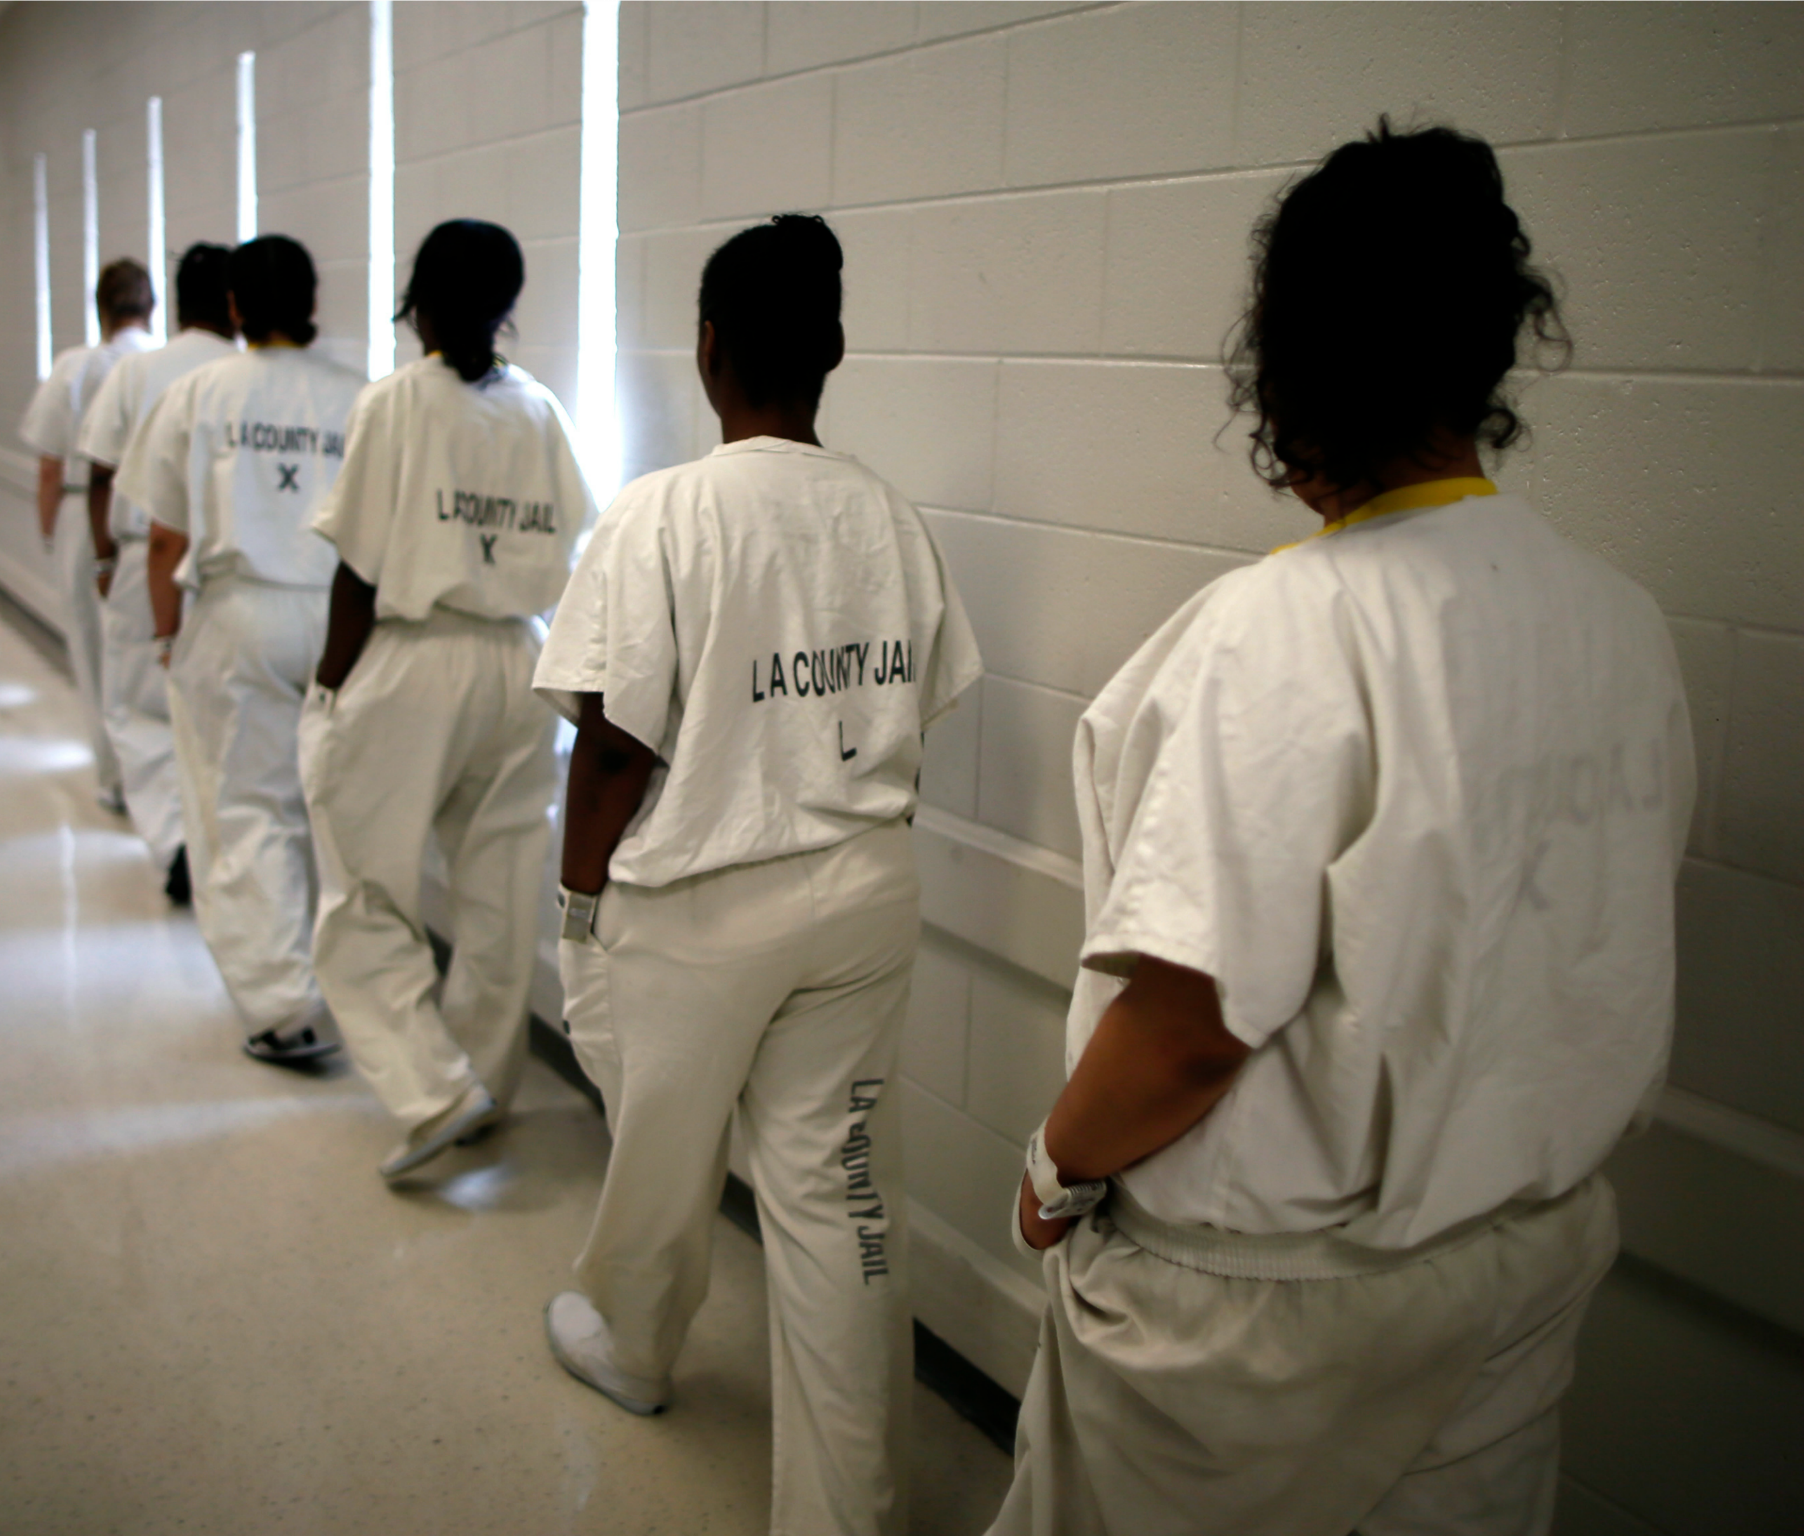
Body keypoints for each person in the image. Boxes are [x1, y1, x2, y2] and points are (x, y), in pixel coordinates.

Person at [987, 122, 1694, 1536]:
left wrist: (1055, 1170)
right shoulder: (1617, 627)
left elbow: (1192, 1020)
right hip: (1509, 1269)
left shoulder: (1285, 631)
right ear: (1484, 352)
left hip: (1262, 1323)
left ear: (1291, 365)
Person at [534, 214, 982, 1536]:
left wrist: (576, 905)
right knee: (840, 1203)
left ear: (709, 348)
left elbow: (612, 747)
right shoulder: (889, 520)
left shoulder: (665, 512)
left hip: (701, 906)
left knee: (661, 1167)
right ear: (834, 351)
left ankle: (629, 1345)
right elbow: (927, 699)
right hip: (863, 896)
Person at [300, 220, 596, 1178]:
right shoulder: (540, 409)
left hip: (413, 659)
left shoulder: (395, 404)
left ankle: (432, 1091)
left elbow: (358, 565)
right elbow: (575, 553)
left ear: (417, 297)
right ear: (508, 307)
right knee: (500, 897)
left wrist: (329, 686)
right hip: (520, 665)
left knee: (359, 887)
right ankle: (483, 1084)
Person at [117, 235, 364, 1065]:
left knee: (249, 807)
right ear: (313, 304)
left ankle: (282, 1005)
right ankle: (358, 988)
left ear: (232, 308)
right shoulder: (359, 397)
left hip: (239, 614)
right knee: (328, 808)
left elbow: (162, 538)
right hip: (343, 618)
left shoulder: (199, 393)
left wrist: (166, 635)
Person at [78, 243, 237, 904]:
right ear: (235, 303)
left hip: (150, 552)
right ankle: (220, 849)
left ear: (175, 304)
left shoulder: (139, 373)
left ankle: (175, 844)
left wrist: (106, 557)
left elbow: (99, 472)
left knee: (142, 708)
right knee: (224, 719)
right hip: (232, 567)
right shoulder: (247, 372)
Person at [19, 258, 159, 811]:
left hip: (88, 515)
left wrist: (54, 536)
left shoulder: (76, 368)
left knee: (94, 649)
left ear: (101, 310)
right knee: (148, 657)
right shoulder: (167, 365)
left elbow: (51, 466)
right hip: (153, 523)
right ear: (149, 308)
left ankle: (115, 778)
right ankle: (157, 777)